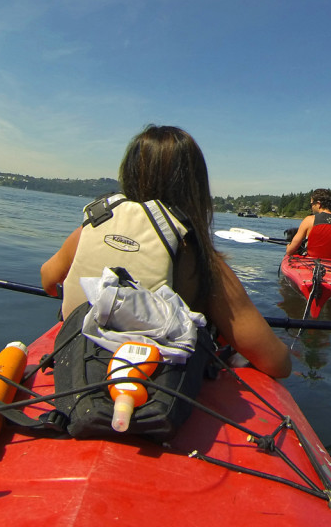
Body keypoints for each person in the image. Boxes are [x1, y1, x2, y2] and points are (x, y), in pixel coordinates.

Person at [41, 125, 291, 379]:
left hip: (75, 369)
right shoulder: (202, 262)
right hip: (153, 393)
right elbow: (278, 363)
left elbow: (48, 281)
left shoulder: (88, 230)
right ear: (195, 186)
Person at [284, 188, 331, 261]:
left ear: (318, 204)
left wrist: (288, 246)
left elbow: (290, 251)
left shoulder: (309, 220)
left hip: (310, 264)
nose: (311, 207)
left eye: (312, 204)